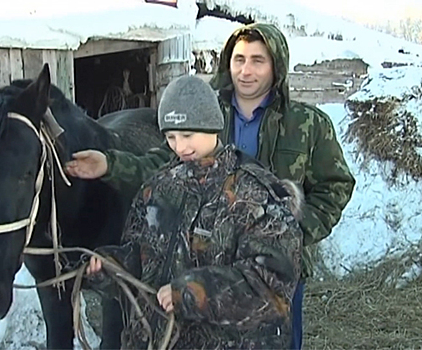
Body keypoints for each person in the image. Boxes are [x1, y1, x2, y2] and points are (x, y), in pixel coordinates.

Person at [65, 23, 356, 350]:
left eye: (257, 60)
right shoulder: (204, 111)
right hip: (195, 269)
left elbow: (335, 185)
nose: (246, 70)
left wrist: (295, 235)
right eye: (238, 60)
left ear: (276, 65)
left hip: (266, 264)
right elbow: (162, 168)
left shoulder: (306, 123)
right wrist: (111, 164)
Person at [82, 74, 303, 349]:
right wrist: (112, 267)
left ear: (213, 127)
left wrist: (194, 292)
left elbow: (272, 287)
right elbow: (143, 261)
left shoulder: (255, 194)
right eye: (171, 137)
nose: (180, 147)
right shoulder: (157, 188)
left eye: (188, 135)